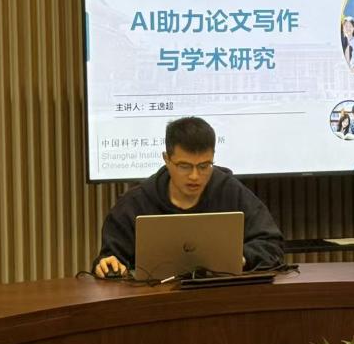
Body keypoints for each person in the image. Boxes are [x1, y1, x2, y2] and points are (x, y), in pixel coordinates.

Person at [94, 116, 285, 277]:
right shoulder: (136, 202)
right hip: (154, 300)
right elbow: (111, 259)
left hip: (222, 295)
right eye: (184, 166)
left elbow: (272, 245)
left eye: (204, 166)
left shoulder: (230, 191)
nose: (195, 176)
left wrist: (240, 257)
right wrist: (108, 264)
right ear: (166, 159)